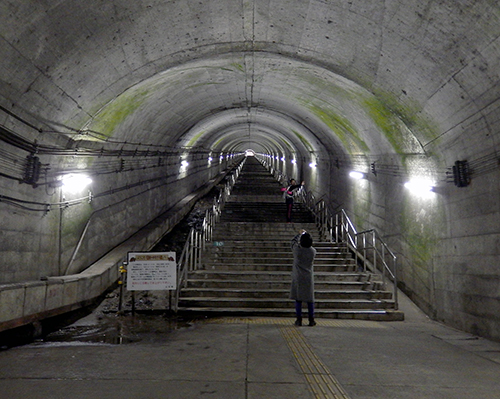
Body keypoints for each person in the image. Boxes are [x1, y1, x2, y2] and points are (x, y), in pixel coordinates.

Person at [290, 229, 317, 327]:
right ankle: (311, 320)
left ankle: (299, 320)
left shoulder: (297, 250)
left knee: (298, 299)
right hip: (308, 277)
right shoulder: (313, 251)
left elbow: (292, 242)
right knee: (310, 299)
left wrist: (299, 234)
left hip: (298, 277)